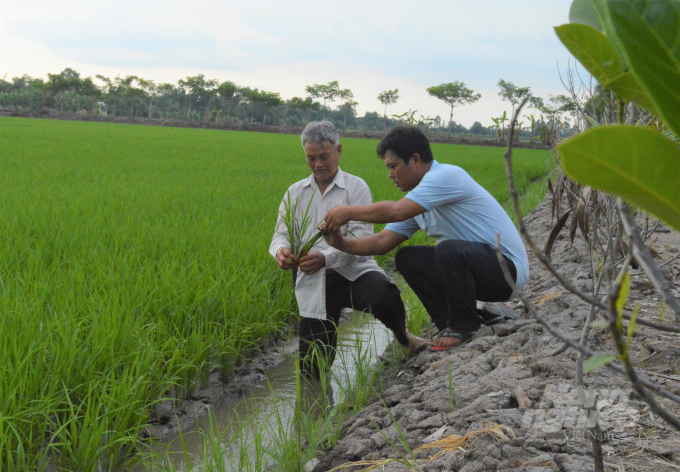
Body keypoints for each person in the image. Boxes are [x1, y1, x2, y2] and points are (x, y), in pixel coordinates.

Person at [320, 125, 529, 351]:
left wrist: (348, 212)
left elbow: (397, 210)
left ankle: (464, 326)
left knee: (448, 250)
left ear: (416, 160)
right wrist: (340, 243)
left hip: (507, 273)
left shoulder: (446, 176)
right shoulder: (420, 200)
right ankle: (450, 323)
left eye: (393, 166)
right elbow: (382, 243)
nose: (390, 175)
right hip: (481, 271)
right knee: (407, 258)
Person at [269, 121, 428, 378]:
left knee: (385, 296)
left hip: (354, 272)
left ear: (339, 151)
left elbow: (362, 240)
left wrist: (325, 257)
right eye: (311, 158)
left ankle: (403, 336)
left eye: (324, 157)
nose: (318, 164)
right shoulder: (295, 193)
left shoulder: (355, 188)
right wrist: (281, 251)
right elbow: (280, 234)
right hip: (314, 280)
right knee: (312, 369)